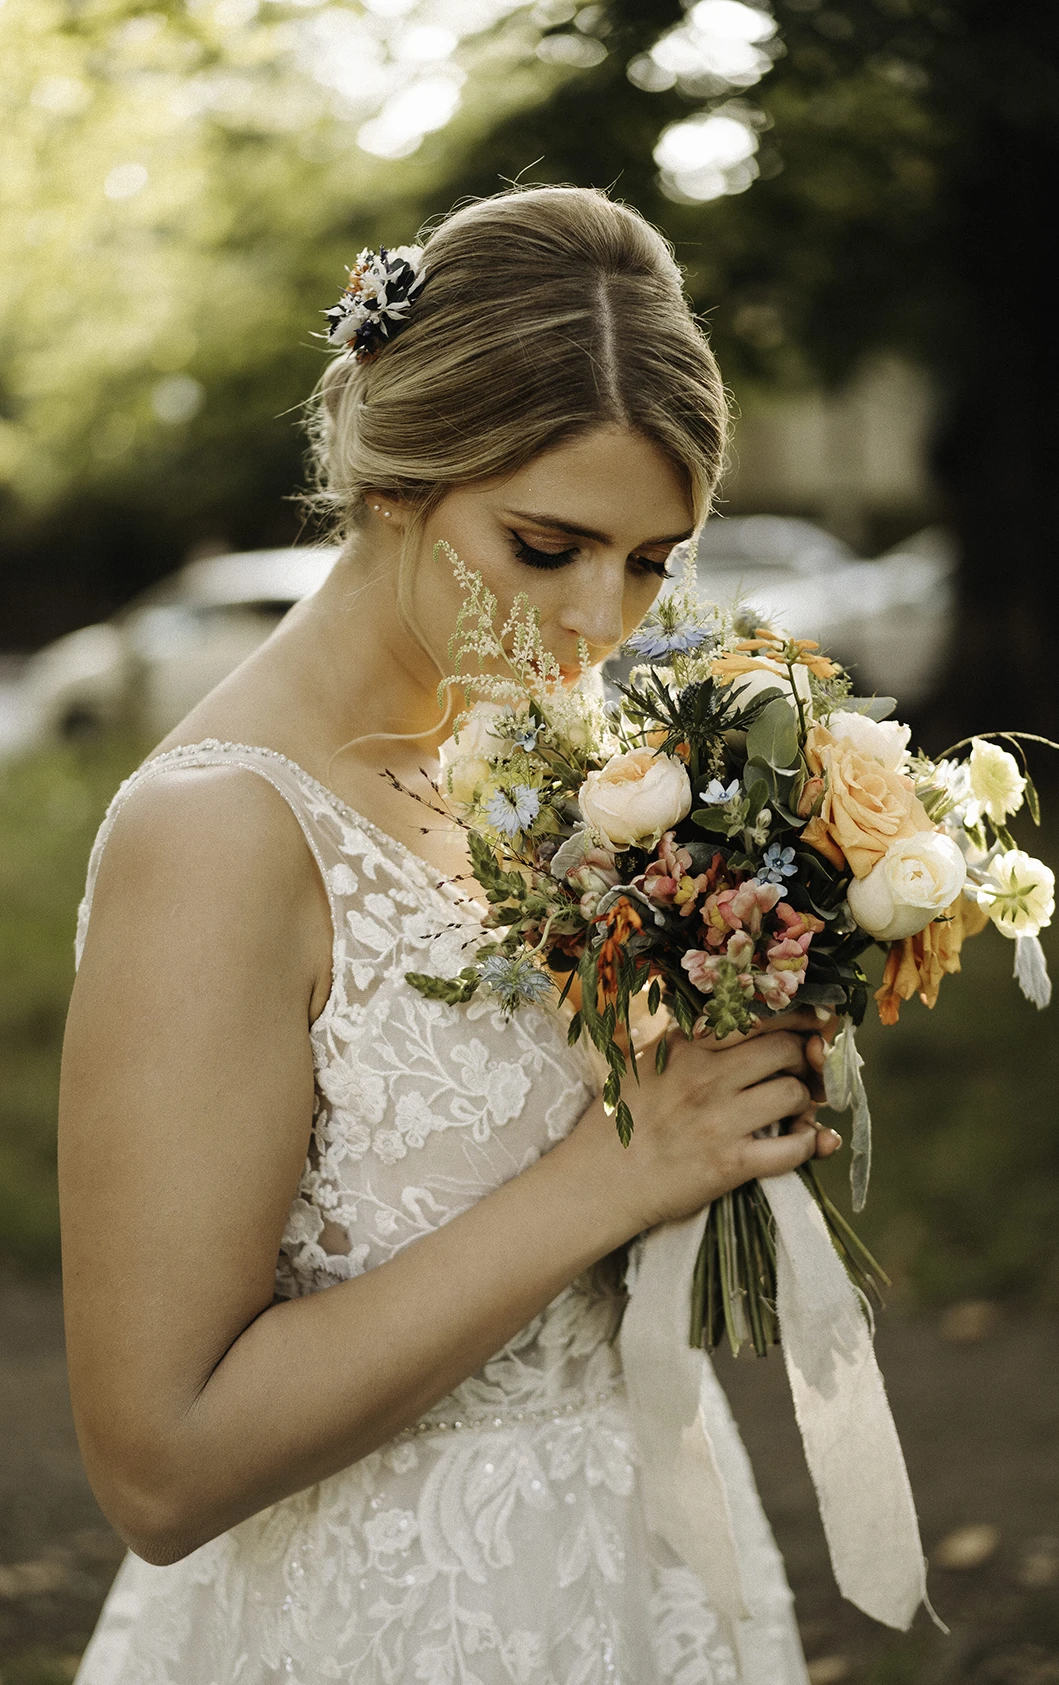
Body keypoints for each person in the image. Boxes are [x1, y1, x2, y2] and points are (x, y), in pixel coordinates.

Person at [59, 185, 842, 1685]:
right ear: (393, 481)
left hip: (637, 1554)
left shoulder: (545, 773)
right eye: (545, 546)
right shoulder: (219, 836)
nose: (601, 619)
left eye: (652, 559)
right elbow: (159, 1469)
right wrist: (624, 1168)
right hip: (388, 1611)